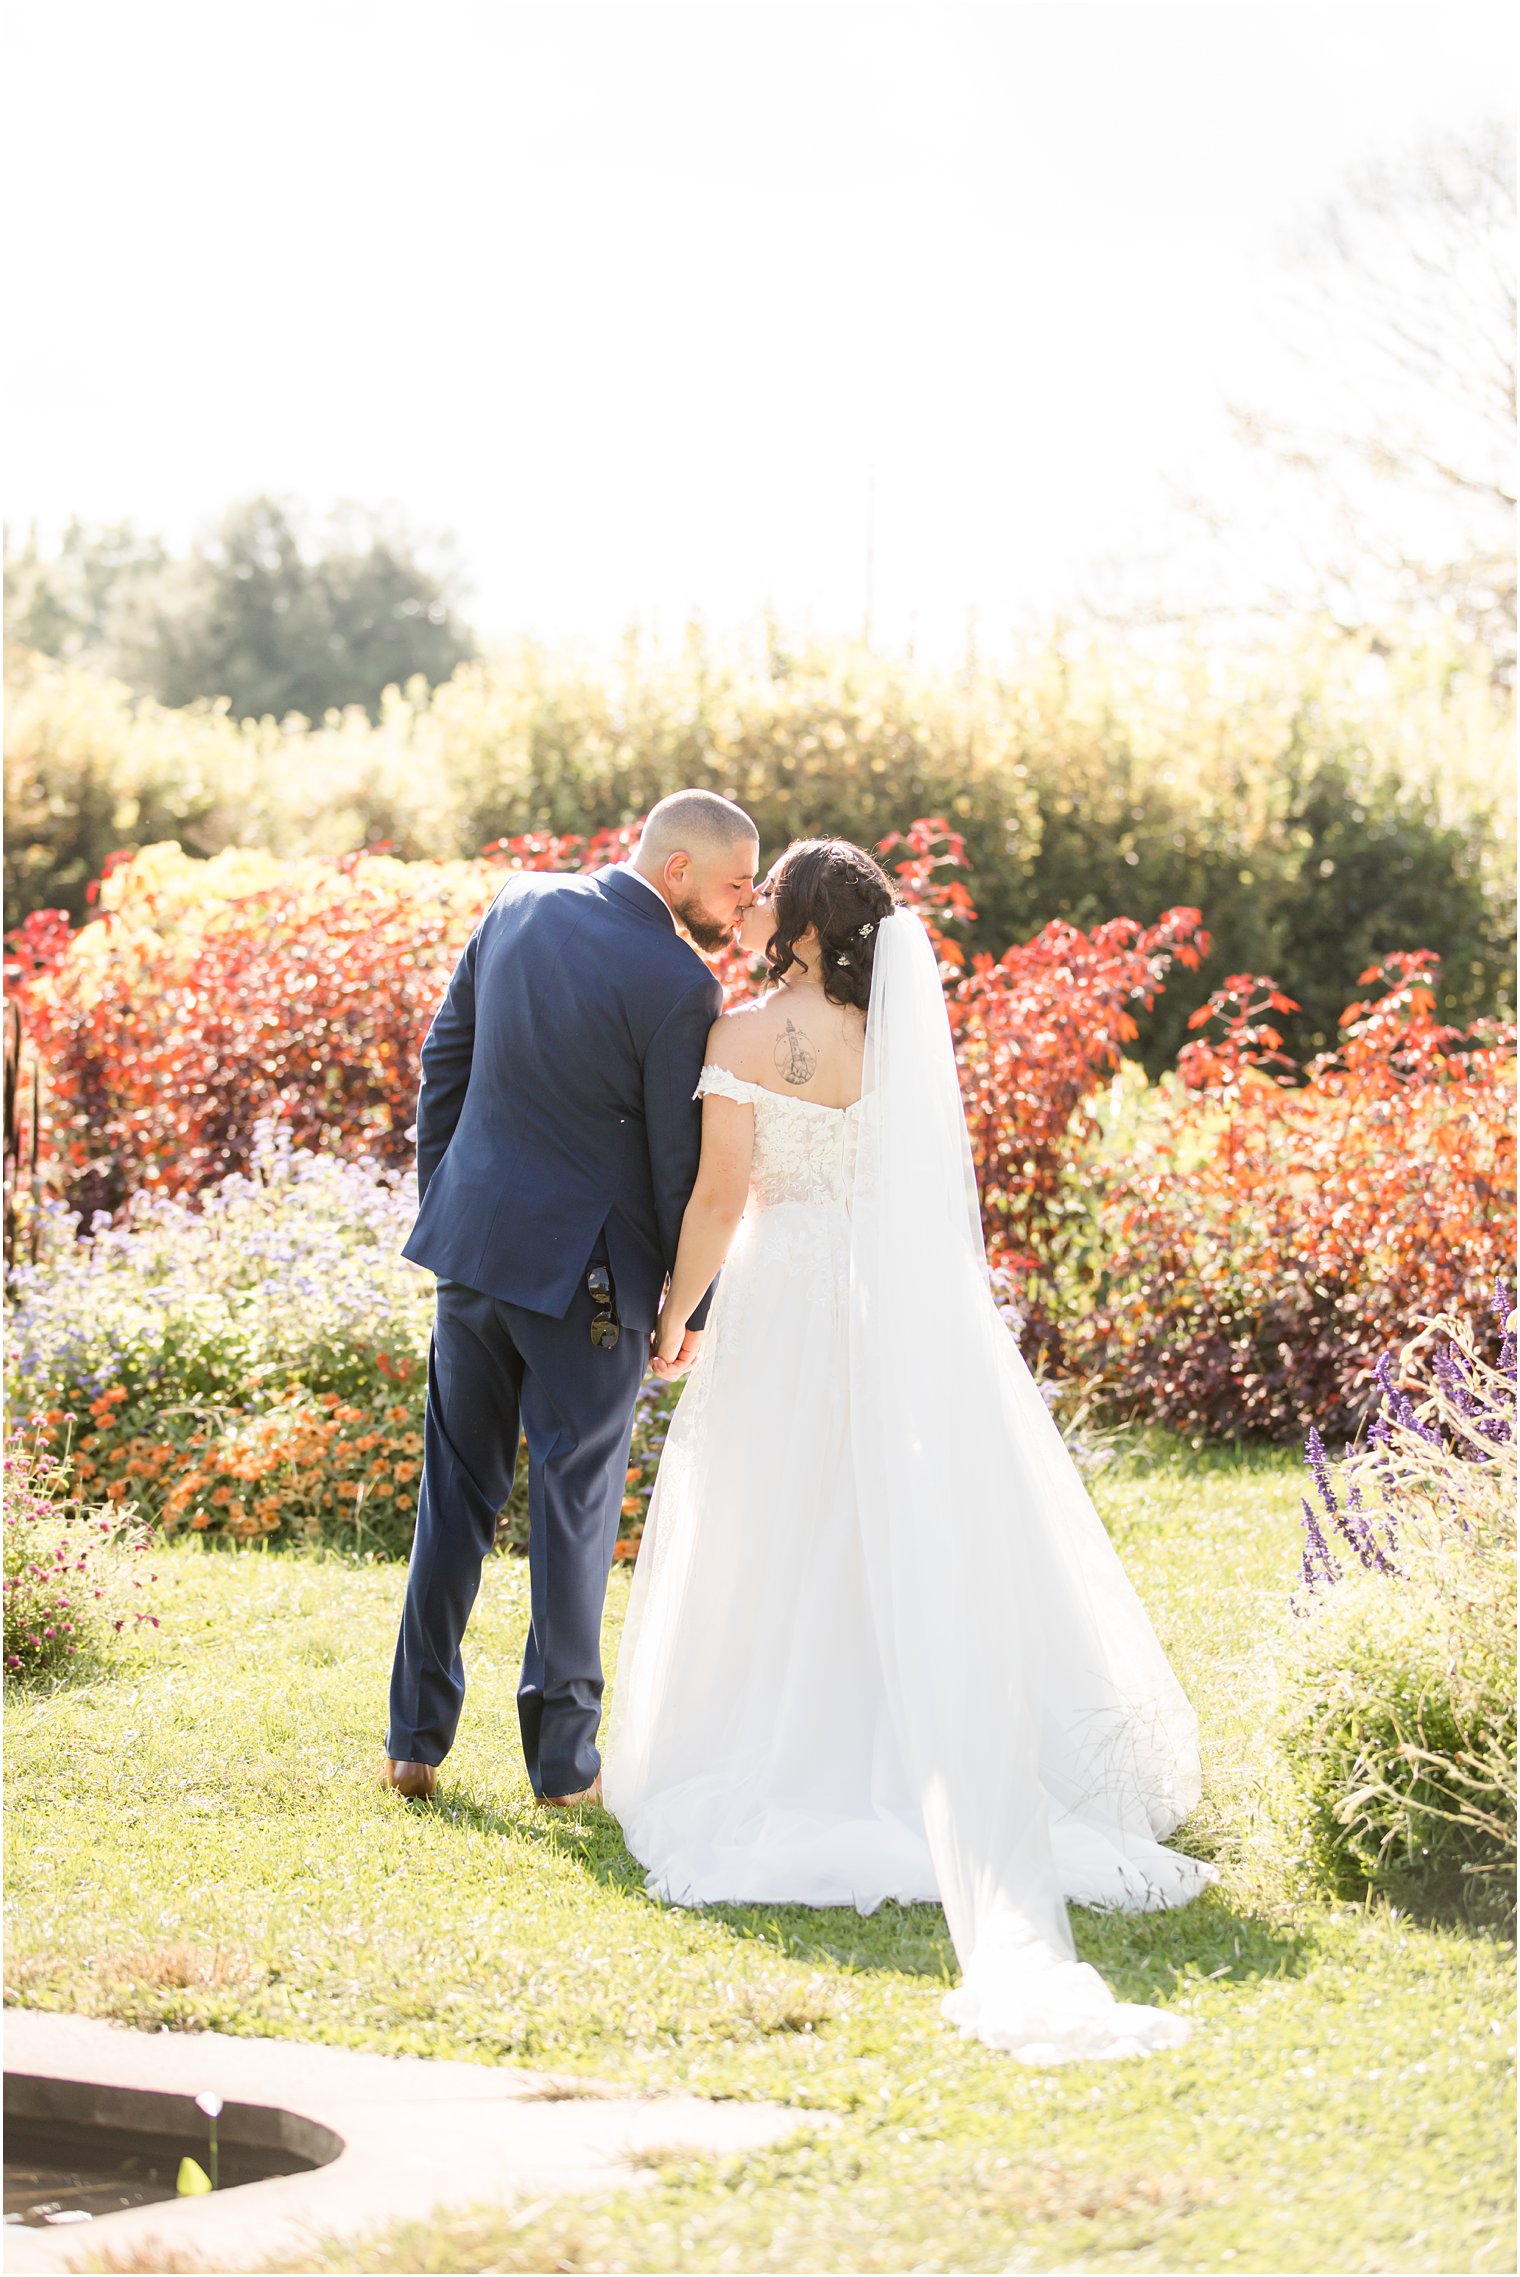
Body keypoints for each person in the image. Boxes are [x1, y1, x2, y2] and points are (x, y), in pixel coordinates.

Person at [603, 837, 1215, 2064]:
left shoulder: (738, 1038)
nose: (754, 898)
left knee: (772, 1521)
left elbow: (721, 1202)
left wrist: (672, 1316)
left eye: (769, 888)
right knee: (900, 1514)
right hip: (892, 1317)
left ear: (806, 923)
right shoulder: (897, 1042)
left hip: (779, 1304)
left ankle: (784, 1747)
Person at [384, 789, 759, 1807]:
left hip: (475, 1252)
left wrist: (453, 1207)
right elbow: (677, 1167)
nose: (744, 904)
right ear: (675, 871)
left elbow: (443, 1065)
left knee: (452, 1493)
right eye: (734, 884)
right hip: (588, 1285)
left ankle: (411, 1742)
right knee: (574, 1509)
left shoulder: (514, 903)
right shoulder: (681, 982)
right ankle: (563, 1767)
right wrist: (686, 1307)